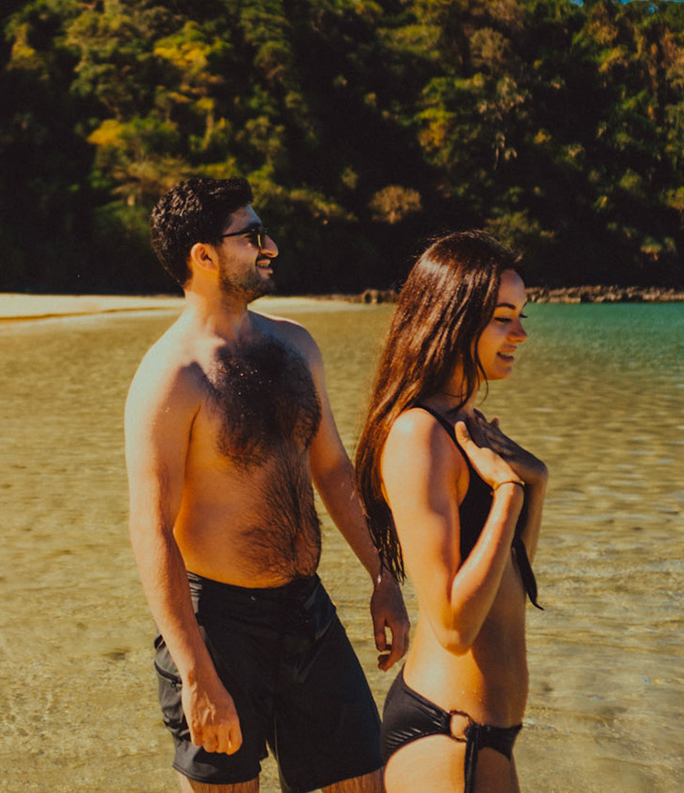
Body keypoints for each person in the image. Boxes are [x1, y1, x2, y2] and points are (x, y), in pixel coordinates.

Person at [125, 176, 411, 793]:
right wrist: (196, 673)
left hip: (307, 611)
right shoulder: (172, 377)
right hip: (219, 630)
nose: (271, 246)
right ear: (203, 256)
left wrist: (382, 576)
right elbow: (151, 532)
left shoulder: (295, 346)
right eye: (252, 236)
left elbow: (333, 471)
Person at [351, 232, 548, 793]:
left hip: (482, 738)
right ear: (454, 320)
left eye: (522, 315)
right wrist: (508, 493)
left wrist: (536, 484)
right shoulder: (420, 434)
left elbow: (509, 582)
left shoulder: (465, 423)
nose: (521, 333)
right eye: (502, 318)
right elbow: (455, 624)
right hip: (449, 739)